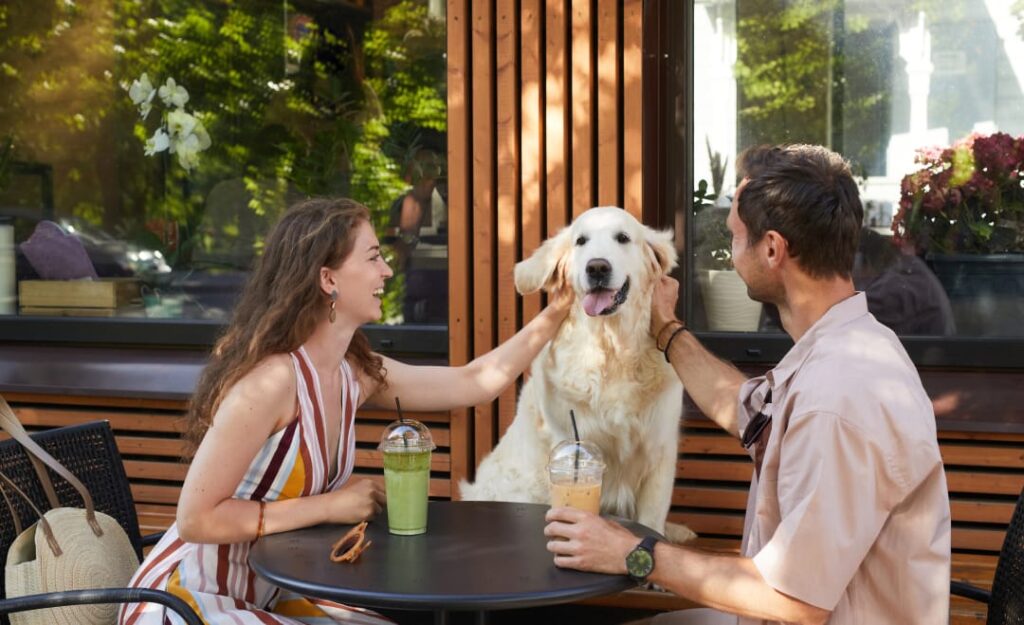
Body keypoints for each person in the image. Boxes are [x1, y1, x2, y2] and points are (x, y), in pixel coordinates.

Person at [544, 145, 951, 625]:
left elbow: (794, 600)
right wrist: (666, 330)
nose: (730, 253)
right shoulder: (848, 345)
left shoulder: (839, 398)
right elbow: (746, 409)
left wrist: (635, 552)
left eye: (734, 237)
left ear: (773, 249)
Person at [120, 197, 570, 625]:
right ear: (328, 279)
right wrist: (328, 506)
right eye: (373, 257)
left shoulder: (353, 371)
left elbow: (474, 383)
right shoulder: (271, 382)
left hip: (269, 594)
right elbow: (196, 519)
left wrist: (558, 312)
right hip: (186, 602)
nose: (388, 270)